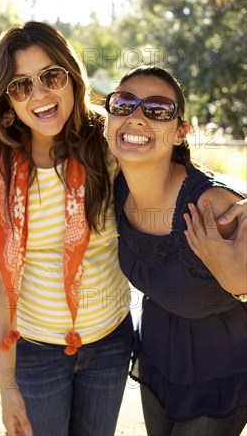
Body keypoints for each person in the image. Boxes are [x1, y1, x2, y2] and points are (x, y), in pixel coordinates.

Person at [0, 21, 134, 436]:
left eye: (51, 76)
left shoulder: (111, 145)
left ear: (72, 77)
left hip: (111, 342)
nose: (40, 95)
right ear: (7, 102)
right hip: (35, 353)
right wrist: (7, 388)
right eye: (20, 86)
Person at [104, 65, 247, 436]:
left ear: (180, 132)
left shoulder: (211, 206)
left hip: (219, 377)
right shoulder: (117, 188)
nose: (135, 118)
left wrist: (241, 285)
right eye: (123, 104)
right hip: (157, 360)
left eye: (157, 110)